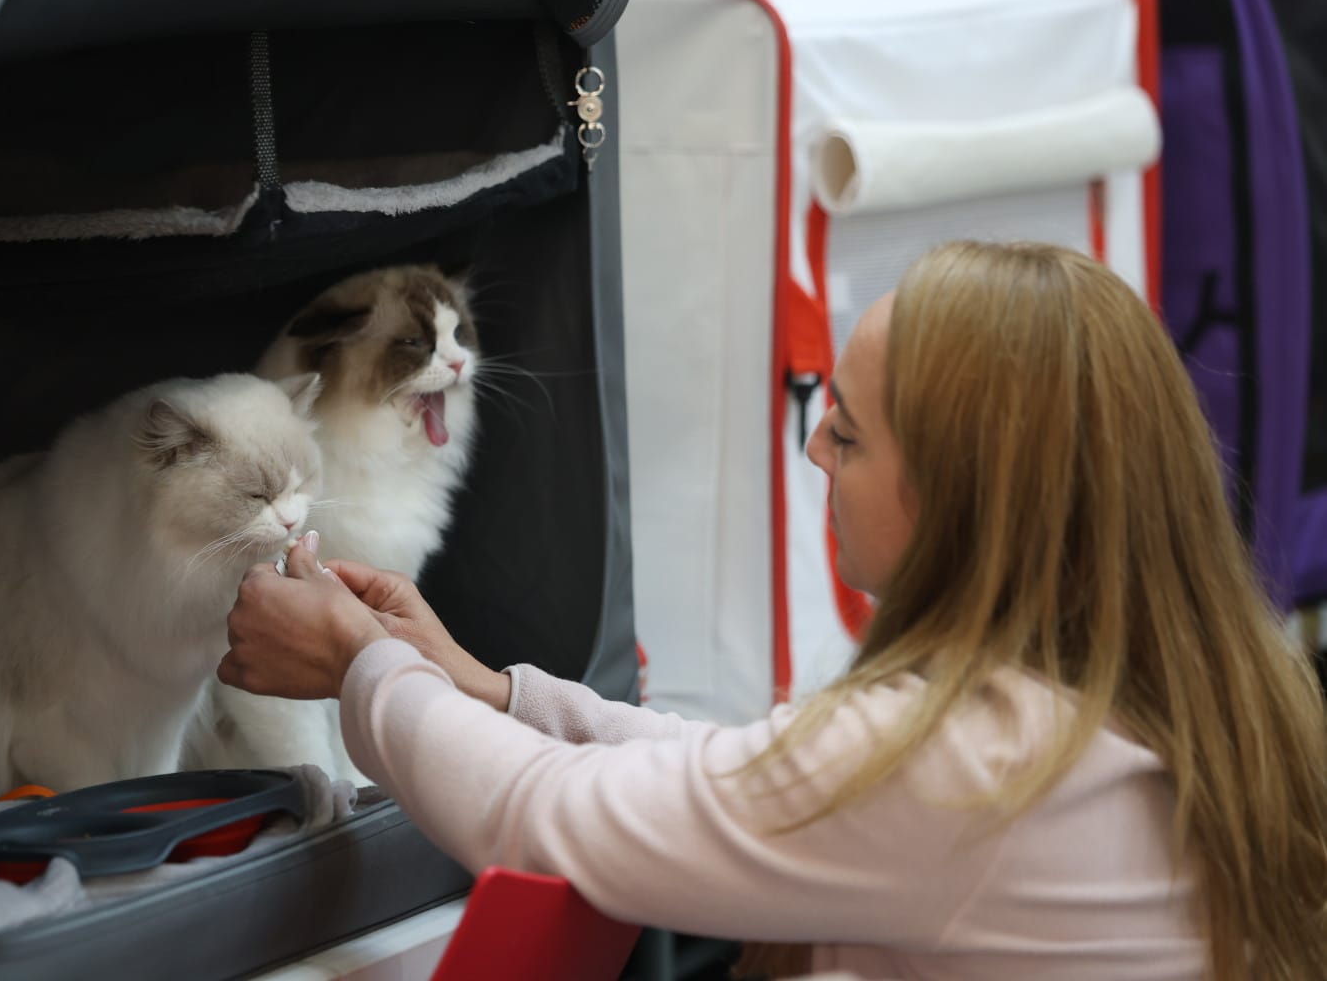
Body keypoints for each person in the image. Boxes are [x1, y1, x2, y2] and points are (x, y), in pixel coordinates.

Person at [216, 241, 1327, 980]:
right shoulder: (1170, 699)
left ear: (963, 493)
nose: (814, 448)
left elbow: (554, 819)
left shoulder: (966, 755)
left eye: (845, 432)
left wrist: (366, 666)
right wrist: (489, 689)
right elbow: (751, 771)